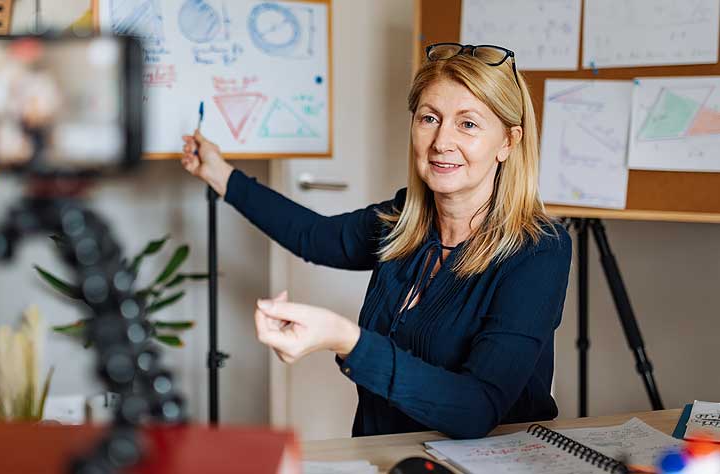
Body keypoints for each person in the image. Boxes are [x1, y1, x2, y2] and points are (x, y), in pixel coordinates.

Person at [179, 43, 572, 439]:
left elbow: (476, 409)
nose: (441, 141)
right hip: (387, 454)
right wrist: (219, 174)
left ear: (508, 141)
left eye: (468, 124)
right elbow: (313, 237)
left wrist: (346, 339)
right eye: (430, 118)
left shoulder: (539, 250)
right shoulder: (402, 221)